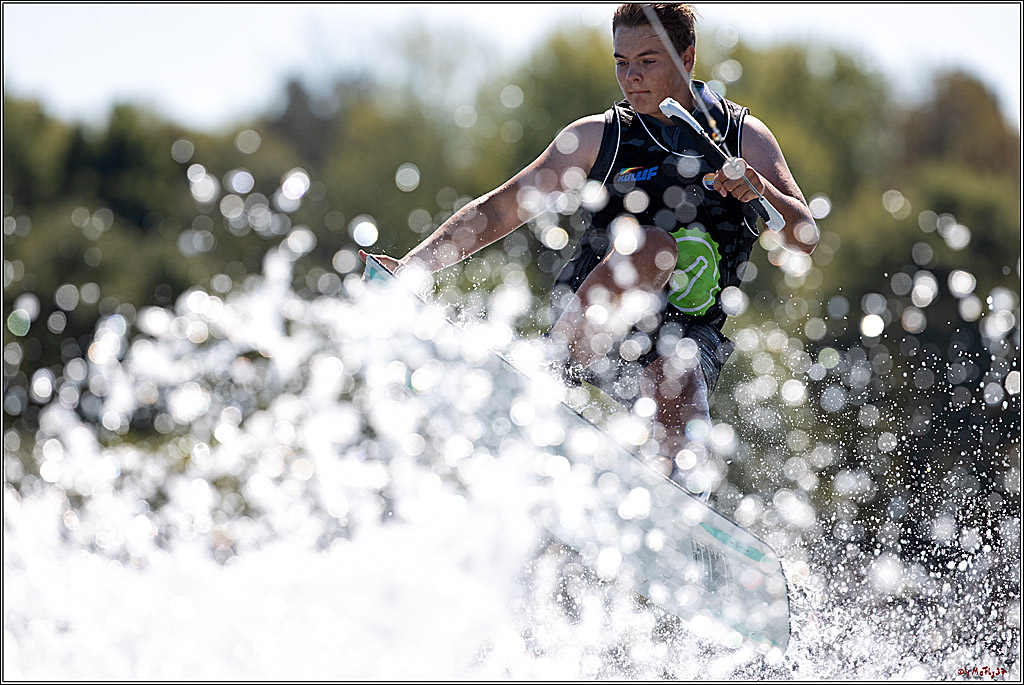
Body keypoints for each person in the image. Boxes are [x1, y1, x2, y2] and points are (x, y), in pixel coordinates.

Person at [362, 3, 818, 494]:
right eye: (621, 62)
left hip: (687, 332)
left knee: (680, 379)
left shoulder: (742, 137)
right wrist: (413, 267)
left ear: (686, 59)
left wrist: (759, 191)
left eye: (648, 61)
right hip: (594, 317)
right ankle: (552, 373)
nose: (631, 77)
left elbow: (804, 237)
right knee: (655, 247)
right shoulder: (598, 137)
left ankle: (685, 502)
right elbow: (502, 208)